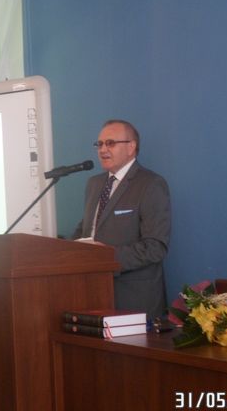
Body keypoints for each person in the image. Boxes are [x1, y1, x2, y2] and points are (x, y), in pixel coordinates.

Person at [72, 119, 171, 318]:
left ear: (131, 147)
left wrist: (106, 257)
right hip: (92, 292)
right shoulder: (94, 184)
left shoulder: (150, 184)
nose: (103, 150)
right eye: (99, 144)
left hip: (133, 298)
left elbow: (155, 247)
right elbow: (87, 229)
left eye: (110, 143)